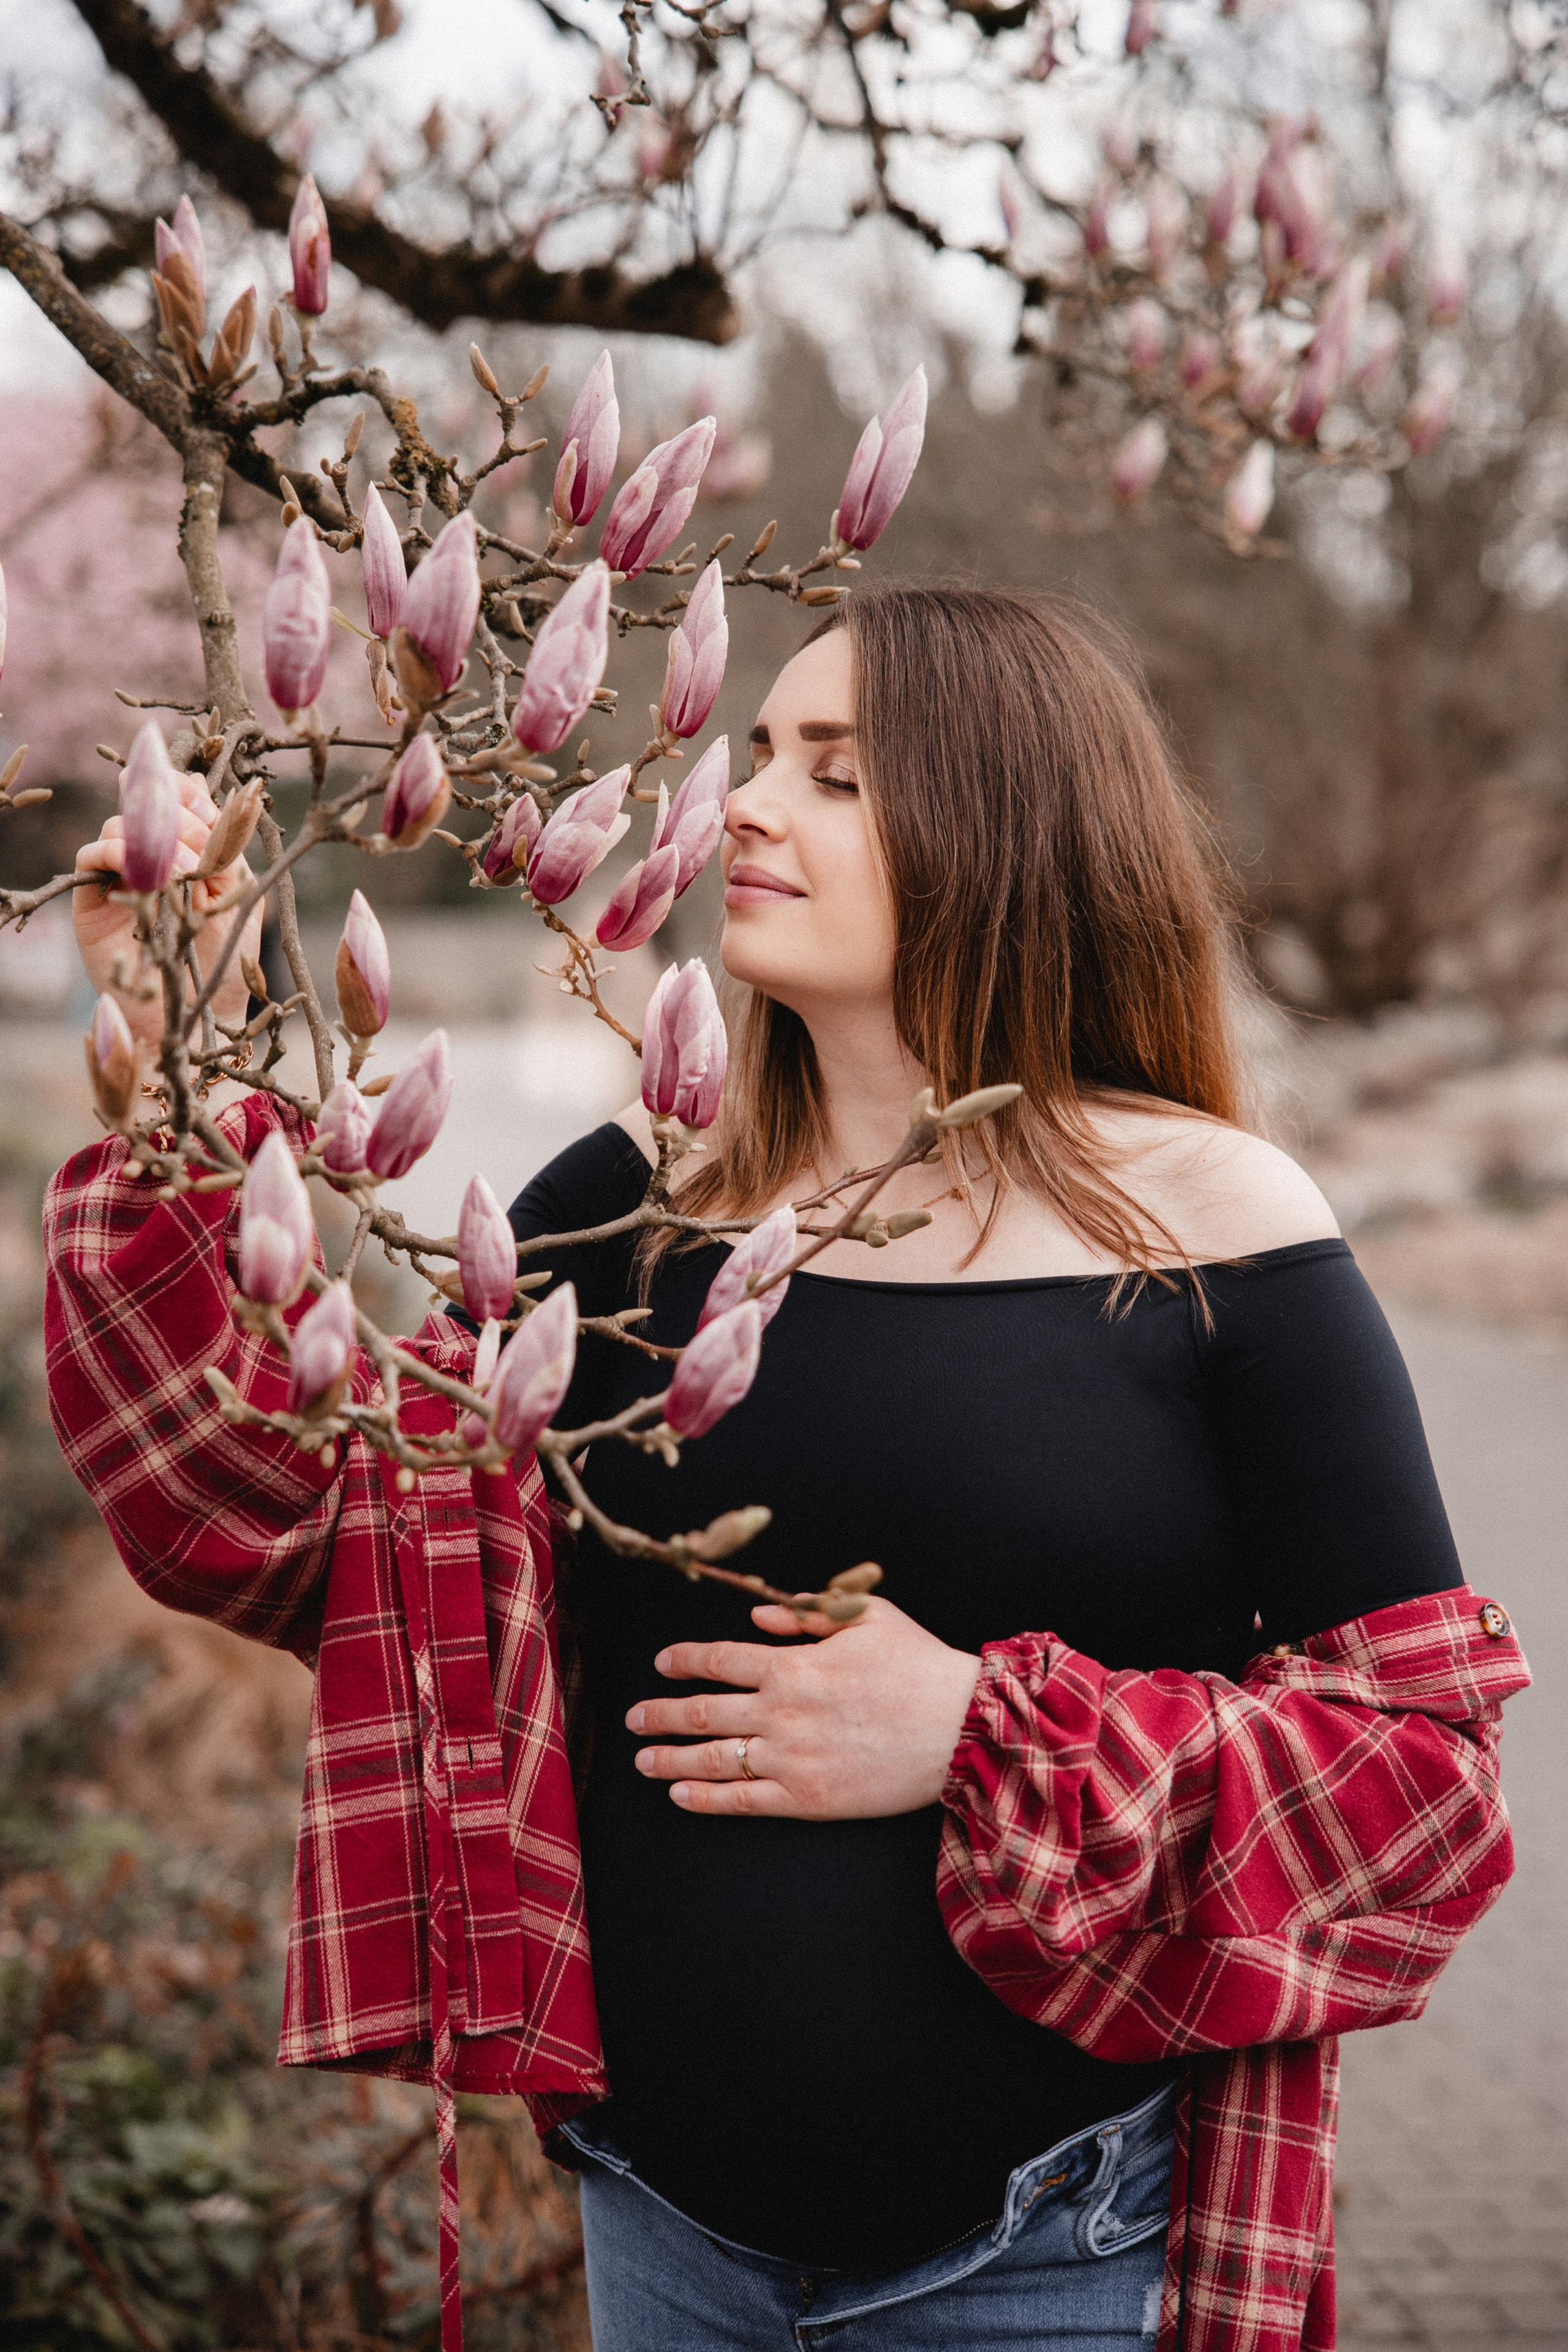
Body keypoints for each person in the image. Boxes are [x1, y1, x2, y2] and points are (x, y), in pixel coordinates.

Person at [47, 587, 1527, 2352]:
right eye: (757, 758)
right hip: (664, 2238)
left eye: (833, 774)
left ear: (1004, 822)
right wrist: (178, 1075)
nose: (742, 805)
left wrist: (979, 1729)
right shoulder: (625, 1206)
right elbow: (305, 1521)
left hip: (1056, 2260)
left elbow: (1420, 1791)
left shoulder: (1211, 1234)